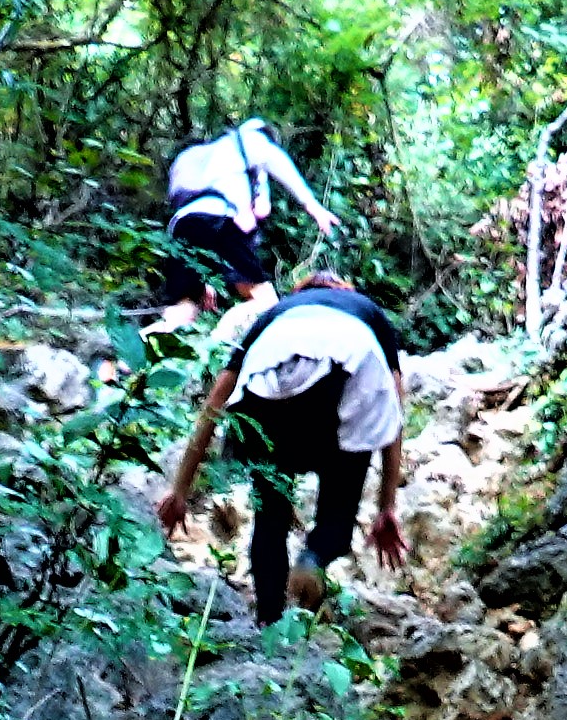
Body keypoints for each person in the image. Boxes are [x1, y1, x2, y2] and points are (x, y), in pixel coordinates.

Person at [156, 277, 409, 623]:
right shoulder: (367, 312)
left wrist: (180, 490)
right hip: (350, 373)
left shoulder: (279, 313)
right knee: (336, 515)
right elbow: (392, 410)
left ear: (299, 294)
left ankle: (268, 621)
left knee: (270, 519)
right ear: (343, 292)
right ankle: (314, 557)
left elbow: (215, 403)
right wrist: (387, 507)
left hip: (269, 395)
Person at [146, 116, 335, 325]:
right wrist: (311, 204)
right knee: (265, 301)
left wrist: (206, 276)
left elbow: (191, 213)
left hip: (182, 223)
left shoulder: (200, 155)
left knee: (183, 308)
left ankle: (130, 355)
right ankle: (219, 340)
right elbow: (264, 203)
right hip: (222, 220)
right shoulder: (251, 141)